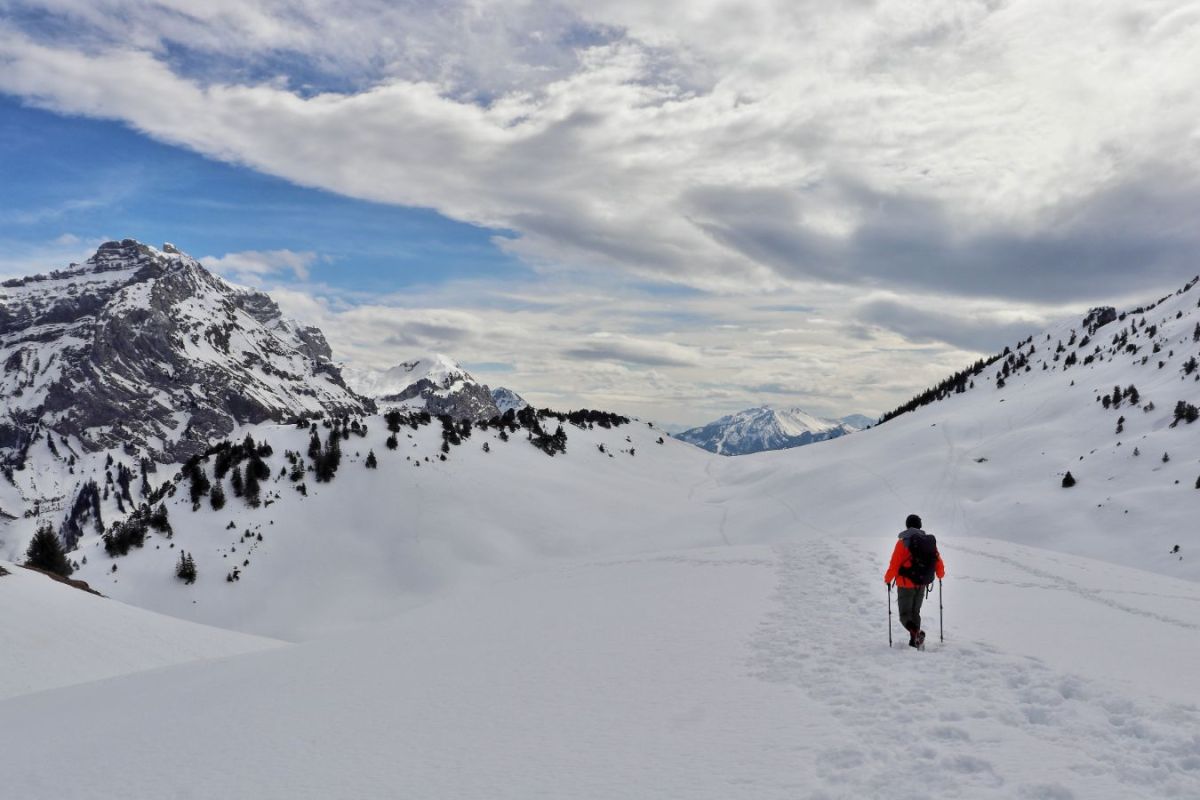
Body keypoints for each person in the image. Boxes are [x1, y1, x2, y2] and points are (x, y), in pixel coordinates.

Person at [884, 514, 945, 649]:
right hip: (922, 583)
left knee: (905, 615)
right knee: (915, 613)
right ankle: (914, 642)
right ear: (920, 526)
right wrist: (940, 574)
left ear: (907, 525)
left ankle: (916, 633)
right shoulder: (928, 542)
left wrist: (888, 579)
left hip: (906, 584)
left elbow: (894, 564)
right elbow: (937, 560)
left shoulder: (902, 542)